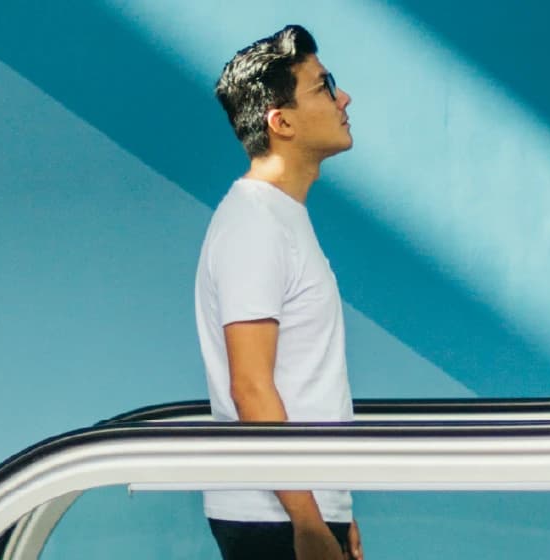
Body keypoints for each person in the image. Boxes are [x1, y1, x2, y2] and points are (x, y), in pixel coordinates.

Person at [195, 24, 362, 560]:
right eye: (323, 86)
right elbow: (251, 385)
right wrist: (310, 524)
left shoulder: (281, 217)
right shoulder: (254, 224)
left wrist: (338, 510)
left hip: (298, 509)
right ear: (281, 121)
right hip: (273, 517)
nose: (343, 98)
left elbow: (307, 379)